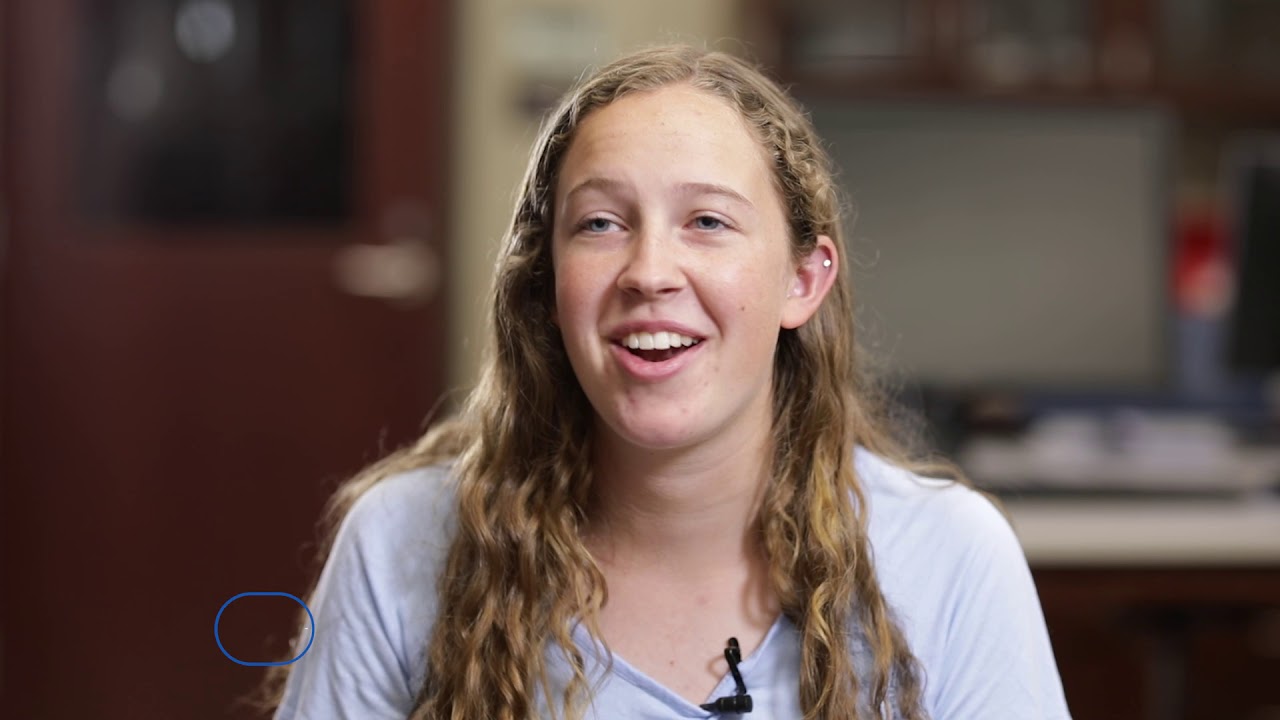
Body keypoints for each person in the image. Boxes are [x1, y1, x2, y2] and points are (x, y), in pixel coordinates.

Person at [266, 45, 1071, 719]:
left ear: (803, 279)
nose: (649, 272)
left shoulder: (951, 561)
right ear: (548, 284)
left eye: (708, 222)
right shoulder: (399, 542)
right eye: (601, 224)